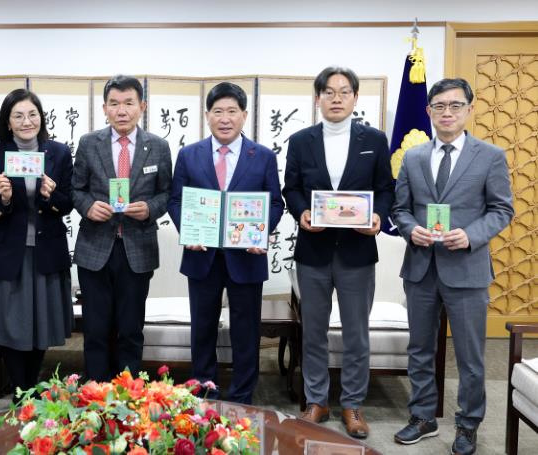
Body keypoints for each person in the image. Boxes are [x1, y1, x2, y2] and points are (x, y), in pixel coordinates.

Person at [392, 78, 513, 455]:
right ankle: (422, 416)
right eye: (439, 106)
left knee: (470, 354)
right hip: (421, 268)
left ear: (469, 109)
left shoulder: (490, 156)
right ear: (428, 111)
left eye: (455, 105)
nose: (447, 112)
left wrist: (471, 235)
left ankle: (468, 423)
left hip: (467, 269)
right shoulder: (413, 157)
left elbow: (502, 209)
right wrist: (411, 229)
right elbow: (400, 209)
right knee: (419, 348)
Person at [282, 66, 394, 438]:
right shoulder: (301, 141)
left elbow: (385, 188)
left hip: (357, 251)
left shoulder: (374, 139)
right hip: (313, 250)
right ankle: (317, 400)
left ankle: (353, 404)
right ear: (318, 98)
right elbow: (291, 188)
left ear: (355, 98)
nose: (336, 98)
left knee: (356, 333)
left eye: (344, 92)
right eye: (329, 92)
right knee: (313, 331)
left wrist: (377, 216)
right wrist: (302, 212)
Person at [168, 82, 284, 404]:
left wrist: (261, 232)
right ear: (207, 115)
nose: (225, 118)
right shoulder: (189, 155)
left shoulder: (262, 156)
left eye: (232, 111)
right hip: (201, 256)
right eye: (218, 111)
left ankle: (242, 396)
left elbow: (276, 203)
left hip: (246, 256)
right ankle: (205, 393)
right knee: (202, 328)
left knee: (246, 331)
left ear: (244, 115)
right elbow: (176, 201)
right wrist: (189, 231)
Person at [71, 75, 172, 381]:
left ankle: (129, 393)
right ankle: (95, 391)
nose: (122, 110)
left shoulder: (158, 146)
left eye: (129, 103)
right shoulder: (89, 143)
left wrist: (150, 209)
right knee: (95, 329)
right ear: (105, 108)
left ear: (142, 106)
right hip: (95, 249)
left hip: (137, 248)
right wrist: (89, 207)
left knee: (130, 329)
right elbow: (76, 189)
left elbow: (166, 193)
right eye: (114, 104)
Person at [0, 89, 73, 400]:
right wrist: (4, 199)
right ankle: (21, 390)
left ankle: (31, 384)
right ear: (7, 122)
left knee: (41, 324)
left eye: (32, 114)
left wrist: (51, 195)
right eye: (18, 116)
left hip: (46, 251)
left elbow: (68, 203)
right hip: (8, 253)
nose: (26, 121)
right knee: (11, 325)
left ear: (41, 118)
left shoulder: (59, 153)